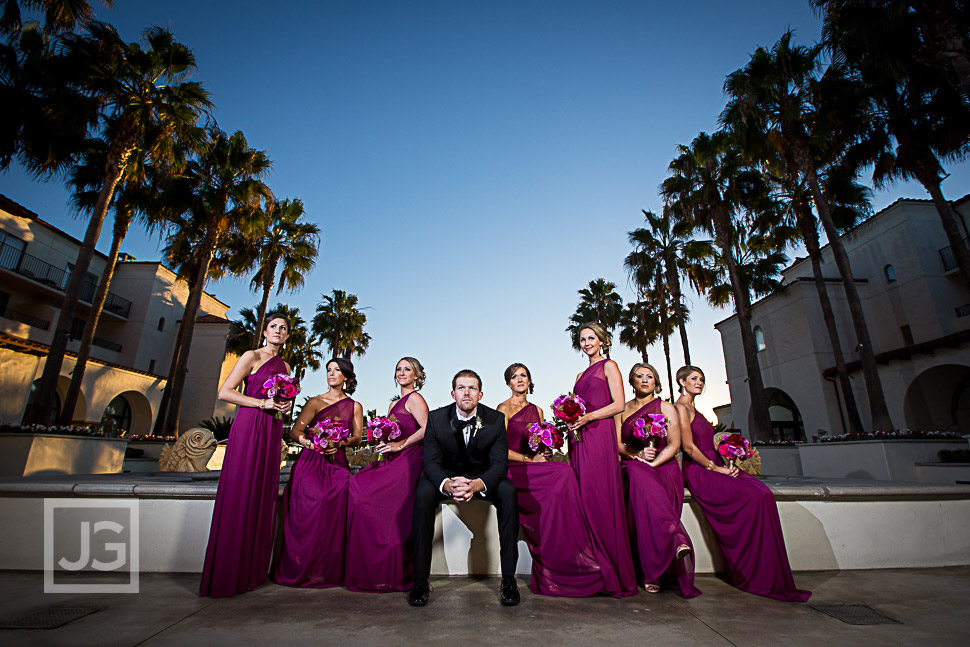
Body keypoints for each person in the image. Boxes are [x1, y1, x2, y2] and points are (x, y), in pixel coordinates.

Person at [675, 365, 811, 602]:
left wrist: (728, 456)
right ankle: (749, 572)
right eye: (694, 378)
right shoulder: (680, 408)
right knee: (756, 497)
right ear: (681, 381)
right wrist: (715, 468)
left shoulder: (694, 407)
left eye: (702, 379)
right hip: (699, 470)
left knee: (763, 492)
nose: (700, 382)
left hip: (716, 463)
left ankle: (765, 571)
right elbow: (687, 447)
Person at [408, 369, 519, 607]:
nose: (466, 393)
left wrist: (478, 485)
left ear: (480, 394)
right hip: (446, 477)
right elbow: (431, 462)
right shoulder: (436, 419)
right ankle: (420, 580)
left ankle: (509, 580)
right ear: (453, 393)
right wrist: (447, 485)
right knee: (423, 493)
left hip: (482, 477)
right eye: (461, 388)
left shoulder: (496, 420)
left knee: (508, 492)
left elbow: (499, 464)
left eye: (471, 388)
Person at [200, 314, 292, 597]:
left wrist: (282, 407)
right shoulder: (251, 356)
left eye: (283, 328)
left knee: (262, 492)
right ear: (265, 331)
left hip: (272, 428)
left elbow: (282, 398)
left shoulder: (286, 365)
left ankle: (252, 570)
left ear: (287, 336)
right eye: (274, 326)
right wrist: (261, 402)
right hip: (249, 424)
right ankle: (227, 572)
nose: (278, 331)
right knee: (240, 489)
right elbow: (225, 392)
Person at [498, 363, 604, 597]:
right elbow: (500, 449)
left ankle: (574, 556)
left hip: (536, 466)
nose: (520, 379)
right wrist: (529, 459)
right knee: (562, 473)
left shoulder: (537, 410)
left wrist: (545, 452)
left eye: (524, 375)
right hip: (514, 469)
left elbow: (542, 444)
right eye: (514, 377)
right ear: (508, 383)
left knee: (563, 472)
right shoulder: (503, 408)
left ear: (529, 380)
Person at [275, 357, 363, 588]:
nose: (331, 374)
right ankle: (302, 567)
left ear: (346, 377)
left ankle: (328, 570)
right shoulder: (315, 402)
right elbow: (295, 432)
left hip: (338, 464)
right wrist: (310, 442)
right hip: (311, 463)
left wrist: (342, 441)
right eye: (328, 370)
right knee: (310, 510)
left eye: (337, 370)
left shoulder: (354, 406)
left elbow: (357, 437)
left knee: (340, 503)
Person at [345, 357, 430, 592]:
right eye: (399, 369)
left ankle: (393, 569)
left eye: (407, 369)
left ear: (417, 376)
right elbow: (391, 431)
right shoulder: (394, 404)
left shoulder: (415, 398)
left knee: (371, 498)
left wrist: (401, 444)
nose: (402, 373)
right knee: (357, 484)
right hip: (392, 457)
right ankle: (372, 568)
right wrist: (382, 438)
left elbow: (427, 428)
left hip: (410, 458)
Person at [568, 323, 638, 598]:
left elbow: (619, 404)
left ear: (602, 340)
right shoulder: (579, 373)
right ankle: (593, 567)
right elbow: (576, 407)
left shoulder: (609, 365)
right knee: (583, 497)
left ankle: (613, 570)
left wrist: (589, 417)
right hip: (579, 438)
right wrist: (571, 420)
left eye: (591, 338)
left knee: (599, 496)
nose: (586, 343)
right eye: (582, 339)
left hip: (599, 435)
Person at [617, 362, 700, 597]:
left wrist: (652, 463)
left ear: (656, 381)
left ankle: (655, 570)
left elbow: (674, 444)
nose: (644, 380)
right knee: (635, 474)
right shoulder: (622, 409)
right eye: (639, 376)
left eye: (649, 376)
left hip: (663, 465)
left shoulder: (666, 407)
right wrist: (637, 456)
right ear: (632, 382)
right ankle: (675, 540)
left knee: (643, 482)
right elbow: (618, 444)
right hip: (633, 464)